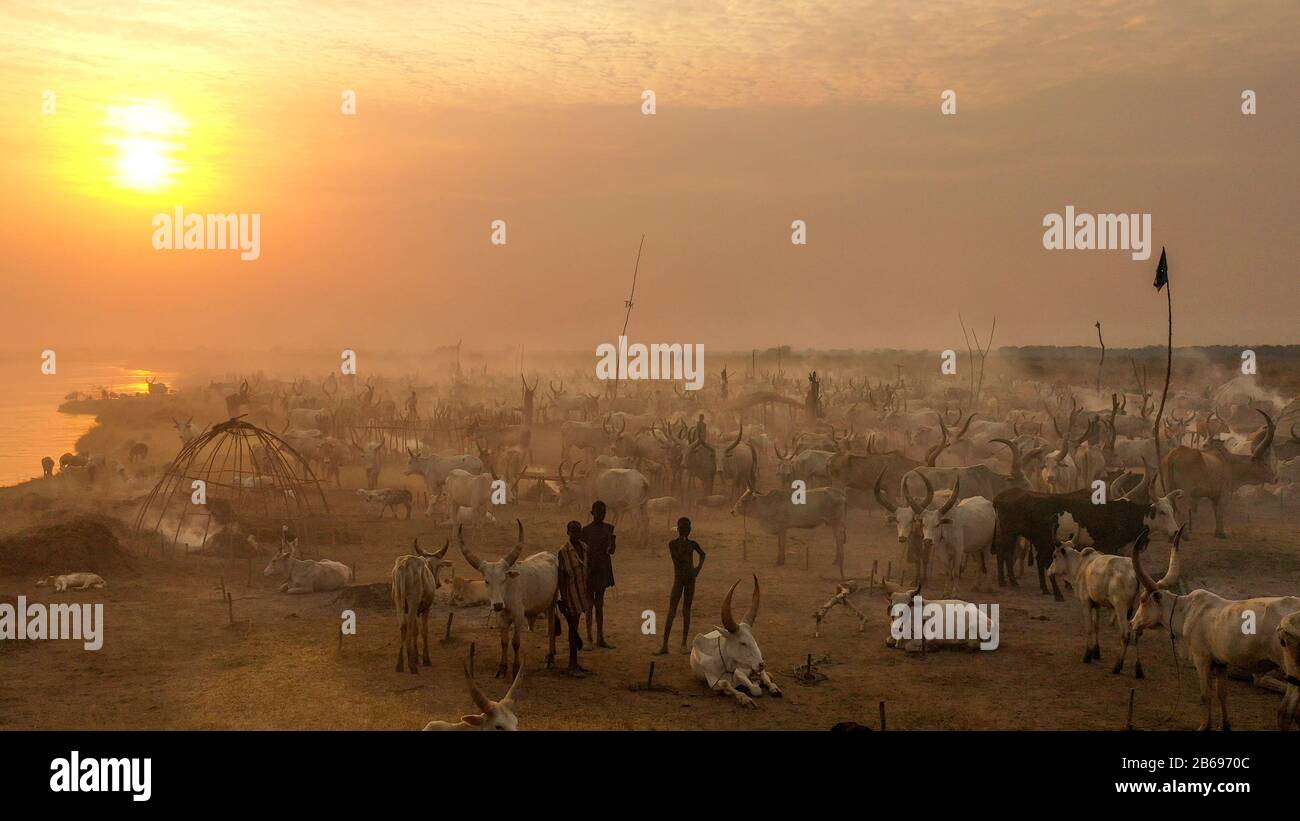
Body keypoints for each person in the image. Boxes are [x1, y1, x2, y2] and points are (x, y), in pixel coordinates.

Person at [657, 517, 705, 655]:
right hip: (679, 579)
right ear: (678, 529)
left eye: (687, 528)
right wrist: (684, 545)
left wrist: (698, 569)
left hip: (689, 579)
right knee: (672, 610)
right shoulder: (673, 544)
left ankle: (683, 643)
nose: (686, 530)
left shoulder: (691, 544)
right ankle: (665, 644)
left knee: (686, 611)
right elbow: (676, 559)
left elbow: (703, 554)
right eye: (683, 528)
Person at [556, 521, 592, 676]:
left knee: (575, 628)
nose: (576, 534)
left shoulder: (584, 548)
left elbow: (587, 570)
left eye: (578, 531)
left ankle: (575, 663)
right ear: (568, 532)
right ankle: (572, 665)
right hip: (570, 594)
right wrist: (564, 598)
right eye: (573, 531)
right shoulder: (563, 552)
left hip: (582, 593)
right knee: (573, 629)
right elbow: (562, 577)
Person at [580, 501, 617, 648]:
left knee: (599, 606)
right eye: (598, 512)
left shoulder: (609, 529)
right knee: (589, 606)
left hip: (602, 569)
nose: (601, 515)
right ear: (592, 513)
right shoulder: (585, 531)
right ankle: (589, 638)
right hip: (590, 570)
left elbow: (612, 551)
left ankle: (599, 637)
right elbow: (581, 553)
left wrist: (613, 542)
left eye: (603, 513)